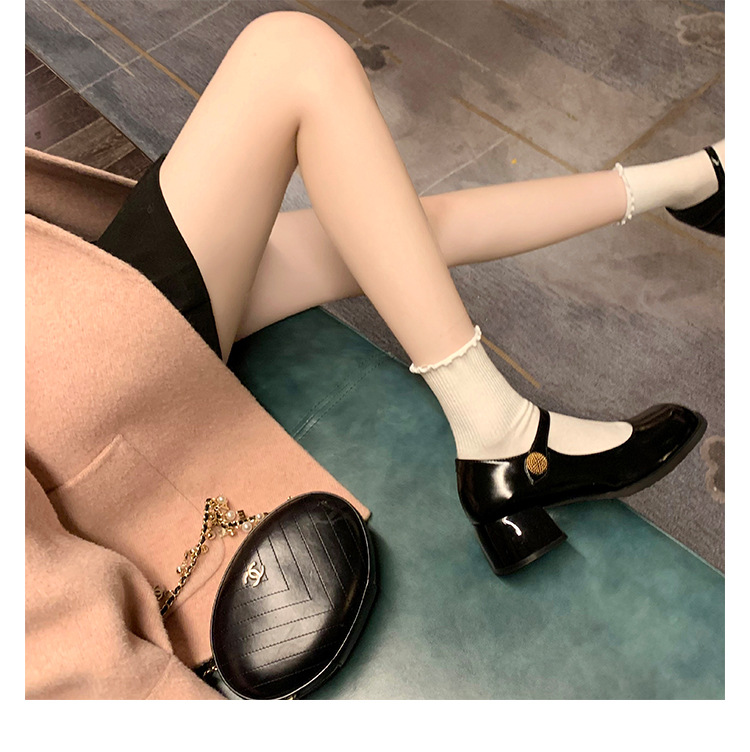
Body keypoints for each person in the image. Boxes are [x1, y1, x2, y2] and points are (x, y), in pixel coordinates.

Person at [94, 11, 722, 574]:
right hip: (82, 378)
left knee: (390, 235)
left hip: (76, 316)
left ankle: (695, 179)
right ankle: (500, 431)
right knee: (290, 52)